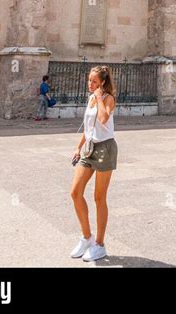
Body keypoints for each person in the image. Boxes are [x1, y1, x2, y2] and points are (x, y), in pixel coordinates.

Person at [70, 65, 118, 262]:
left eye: (94, 81)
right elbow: (89, 127)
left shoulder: (108, 98)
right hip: (89, 148)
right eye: (89, 80)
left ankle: (99, 244)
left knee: (99, 198)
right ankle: (86, 237)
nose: (90, 84)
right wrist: (77, 147)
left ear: (103, 83)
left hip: (105, 149)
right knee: (75, 192)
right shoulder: (91, 98)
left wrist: (99, 97)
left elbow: (104, 119)